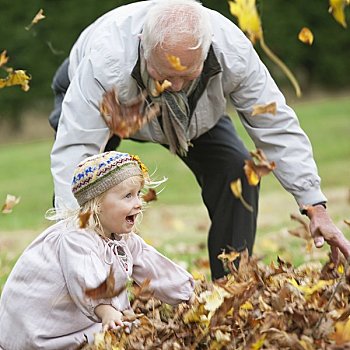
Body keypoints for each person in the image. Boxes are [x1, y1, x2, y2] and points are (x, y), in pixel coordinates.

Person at [49, 0, 350, 280]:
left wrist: (315, 205)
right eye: (165, 74)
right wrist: (73, 233)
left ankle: (230, 288)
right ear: (143, 45)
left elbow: (275, 124)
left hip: (194, 116)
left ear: (206, 52)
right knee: (93, 193)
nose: (174, 86)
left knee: (237, 169)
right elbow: (76, 153)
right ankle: (86, 289)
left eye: (187, 75)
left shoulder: (232, 51)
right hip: (108, 107)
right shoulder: (106, 61)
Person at [0, 151, 194, 350]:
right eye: (128, 196)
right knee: (122, 334)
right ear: (97, 204)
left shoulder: (121, 237)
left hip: (79, 322)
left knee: (128, 331)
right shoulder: (76, 238)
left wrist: (190, 293)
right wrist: (106, 310)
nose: (138, 203)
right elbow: (84, 279)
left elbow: (153, 267)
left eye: (138, 194)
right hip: (42, 333)